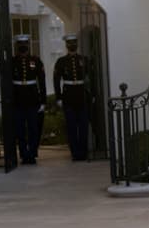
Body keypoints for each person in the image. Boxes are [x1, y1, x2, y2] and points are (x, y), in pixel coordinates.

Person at [53, 34, 90, 161]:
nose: (72, 45)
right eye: (70, 43)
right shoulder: (61, 61)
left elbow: (92, 77)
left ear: (77, 44)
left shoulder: (84, 59)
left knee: (84, 126)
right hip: (68, 97)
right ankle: (75, 153)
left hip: (82, 95)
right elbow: (56, 80)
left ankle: (83, 153)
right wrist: (58, 98)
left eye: (74, 42)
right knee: (72, 127)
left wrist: (93, 94)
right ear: (66, 45)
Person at [10, 34, 45, 164]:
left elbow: (42, 82)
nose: (23, 47)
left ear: (28, 45)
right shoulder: (12, 62)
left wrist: (43, 101)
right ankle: (24, 154)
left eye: (25, 44)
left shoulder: (35, 61)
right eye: (20, 45)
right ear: (17, 46)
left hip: (32, 99)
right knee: (19, 129)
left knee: (33, 129)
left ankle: (32, 153)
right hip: (18, 100)